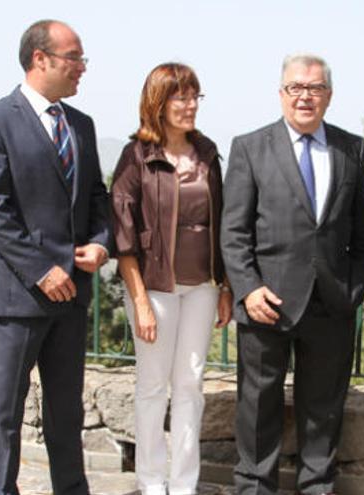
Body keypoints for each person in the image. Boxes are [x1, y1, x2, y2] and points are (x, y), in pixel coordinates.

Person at [0, 19, 110, 495]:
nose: (82, 68)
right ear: (39, 59)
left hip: (72, 295)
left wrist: (102, 241)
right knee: (3, 410)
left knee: (67, 410)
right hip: (16, 295)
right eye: (74, 58)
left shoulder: (81, 125)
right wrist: (40, 270)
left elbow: (95, 197)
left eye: (82, 59)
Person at [221, 53, 364, 495]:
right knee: (256, 404)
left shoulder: (352, 148)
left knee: (324, 407)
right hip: (266, 302)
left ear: (329, 95)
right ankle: (254, 486)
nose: (305, 96)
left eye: (314, 88)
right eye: (296, 87)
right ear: (281, 93)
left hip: (332, 303)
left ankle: (318, 486)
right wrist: (248, 290)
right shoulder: (250, 147)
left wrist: (354, 288)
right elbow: (233, 232)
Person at [110, 62, 232, 495]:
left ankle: (183, 484)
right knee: (152, 386)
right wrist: (140, 300)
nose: (191, 105)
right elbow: (123, 237)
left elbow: (225, 222)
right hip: (155, 288)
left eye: (196, 95)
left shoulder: (209, 152)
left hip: (202, 286)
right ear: (158, 103)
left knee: (190, 385)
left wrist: (226, 286)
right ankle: (150, 481)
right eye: (181, 96)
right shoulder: (137, 157)